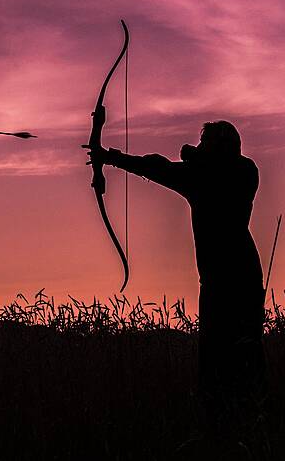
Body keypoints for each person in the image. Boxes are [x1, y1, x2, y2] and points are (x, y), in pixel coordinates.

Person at [87, 120, 265, 418]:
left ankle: (240, 417)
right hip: (232, 279)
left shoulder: (236, 174)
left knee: (240, 352)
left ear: (218, 149)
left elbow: (199, 171)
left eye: (205, 143)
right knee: (220, 356)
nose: (199, 148)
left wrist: (190, 156)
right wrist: (110, 157)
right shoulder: (218, 173)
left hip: (231, 282)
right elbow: (156, 166)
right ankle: (226, 419)